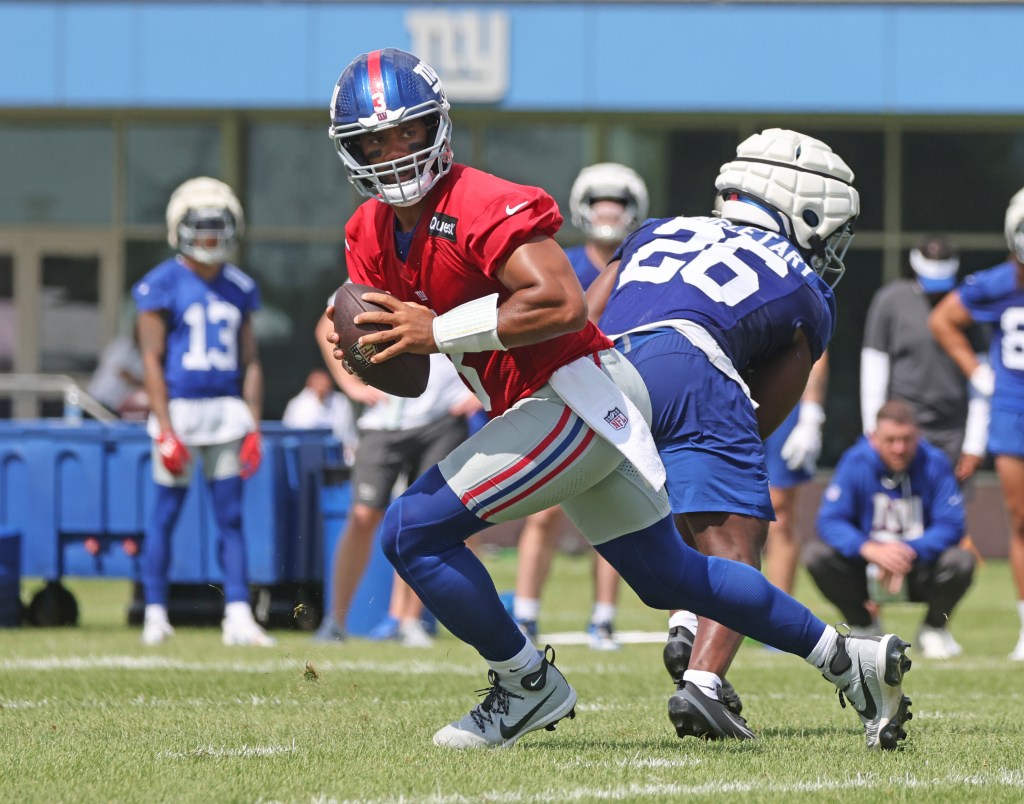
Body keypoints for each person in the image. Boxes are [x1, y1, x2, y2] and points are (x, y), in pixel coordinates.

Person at [324, 49, 911, 752]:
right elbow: (414, 370)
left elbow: (564, 302)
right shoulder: (367, 232)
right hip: (551, 405)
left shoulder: (477, 200)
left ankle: (525, 686)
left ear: (438, 128)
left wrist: (436, 327)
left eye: (407, 134)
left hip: (570, 394)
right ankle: (852, 661)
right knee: (675, 579)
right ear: (350, 150)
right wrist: (376, 348)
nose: (393, 154)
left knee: (411, 530)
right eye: (374, 142)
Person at [587, 128, 873, 741]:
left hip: (602, 371)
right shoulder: (803, 280)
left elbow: (584, 314)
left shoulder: (657, 229)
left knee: (672, 524)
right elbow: (756, 419)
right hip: (689, 365)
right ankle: (705, 684)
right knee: (736, 537)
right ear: (806, 206)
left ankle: (685, 621)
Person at [511, 162, 649, 651]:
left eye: (617, 203)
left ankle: (604, 618)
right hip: (560, 390)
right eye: (599, 203)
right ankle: (525, 615)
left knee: (612, 508)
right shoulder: (560, 262)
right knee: (544, 512)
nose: (608, 213)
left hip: (617, 394)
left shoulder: (640, 265)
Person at [132, 176, 274, 647]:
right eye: (202, 228)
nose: (211, 237)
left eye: (219, 228)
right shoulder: (159, 284)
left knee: (230, 517)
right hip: (180, 410)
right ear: (181, 228)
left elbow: (251, 360)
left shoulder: (240, 286)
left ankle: (237, 613)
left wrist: (254, 425)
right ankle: (155, 612)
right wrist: (165, 427)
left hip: (226, 413)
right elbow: (151, 360)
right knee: (165, 514)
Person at [311, 308, 481, 648]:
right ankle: (335, 620)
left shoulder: (450, 265)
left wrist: (479, 392)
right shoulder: (372, 267)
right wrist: (349, 385)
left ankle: (409, 621)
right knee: (362, 516)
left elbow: (488, 317)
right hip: (384, 418)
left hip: (442, 417)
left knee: (423, 521)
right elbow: (325, 324)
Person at [930, 186, 1024, 661]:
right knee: (1022, 520)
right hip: (1014, 409)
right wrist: (976, 369)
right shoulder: (997, 282)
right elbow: (944, 319)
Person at [804, 400, 975, 659]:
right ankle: (862, 625)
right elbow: (830, 521)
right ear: (874, 438)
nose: (899, 448)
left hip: (918, 567)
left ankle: (933, 629)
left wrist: (907, 550)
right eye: (891, 439)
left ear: (918, 436)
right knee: (816, 556)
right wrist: (869, 549)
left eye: (907, 439)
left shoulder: (934, 463)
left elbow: (951, 524)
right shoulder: (855, 461)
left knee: (962, 561)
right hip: (866, 567)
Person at [861, 234, 989, 479]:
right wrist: (874, 429)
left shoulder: (968, 303)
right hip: (901, 429)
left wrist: (974, 444)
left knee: (945, 511)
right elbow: (873, 370)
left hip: (951, 431)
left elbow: (981, 377)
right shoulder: (890, 300)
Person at [762, 350, 829, 596]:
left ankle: (776, 619)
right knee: (723, 509)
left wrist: (812, 413)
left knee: (781, 509)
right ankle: (723, 614)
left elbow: (816, 343)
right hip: (727, 386)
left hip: (785, 388)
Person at [282, 368, 358, 463]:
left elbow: (348, 434)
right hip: (306, 455)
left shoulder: (341, 402)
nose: (322, 387)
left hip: (337, 455)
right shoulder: (297, 404)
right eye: (318, 383)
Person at [87, 323, 148, 417]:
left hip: (115, 407)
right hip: (97, 400)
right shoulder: (122, 344)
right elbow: (123, 373)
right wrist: (148, 386)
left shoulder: (145, 355)